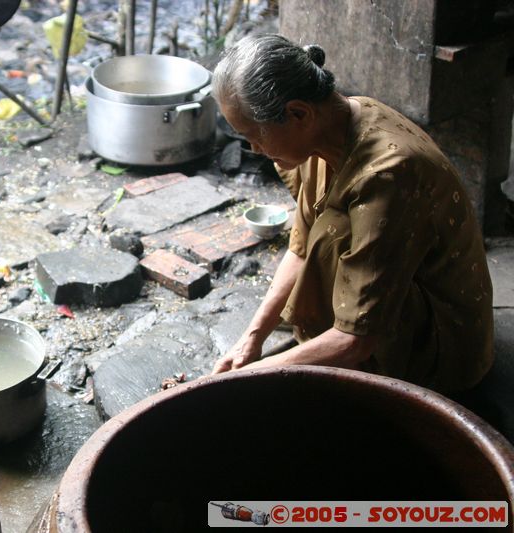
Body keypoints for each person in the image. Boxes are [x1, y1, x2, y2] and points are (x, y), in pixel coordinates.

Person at [210, 34, 493, 393]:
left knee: (337, 231)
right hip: (381, 308)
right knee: (326, 229)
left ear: (298, 113)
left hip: (440, 343)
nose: (253, 149)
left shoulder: (387, 173)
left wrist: (251, 376)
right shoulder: (329, 127)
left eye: (253, 136)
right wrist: (251, 339)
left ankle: (368, 372)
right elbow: (300, 248)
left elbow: (356, 339)